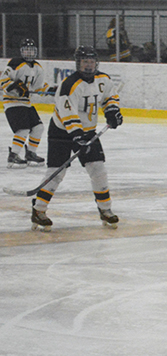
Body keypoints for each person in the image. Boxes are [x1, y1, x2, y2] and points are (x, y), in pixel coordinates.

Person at [31, 46, 124, 232]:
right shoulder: (69, 85)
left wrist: (112, 110)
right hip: (62, 132)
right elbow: (68, 113)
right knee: (56, 172)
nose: (89, 66)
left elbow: (110, 97)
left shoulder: (103, 79)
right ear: (78, 63)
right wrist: (77, 136)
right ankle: (38, 210)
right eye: (85, 62)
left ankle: (105, 209)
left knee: (98, 169)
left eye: (91, 62)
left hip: (88, 131)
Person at [1, 38, 52, 168]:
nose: (29, 53)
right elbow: (3, 81)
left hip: (26, 103)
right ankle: (13, 155)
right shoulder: (15, 63)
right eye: (26, 50)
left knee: (38, 127)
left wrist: (51, 90)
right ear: (21, 51)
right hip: (12, 102)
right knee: (23, 129)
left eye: (31, 50)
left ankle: (31, 153)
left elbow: (37, 87)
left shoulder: (38, 67)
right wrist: (16, 87)